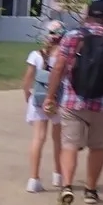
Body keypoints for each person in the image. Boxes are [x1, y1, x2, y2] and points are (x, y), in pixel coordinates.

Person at [42, 0, 103, 205]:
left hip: (73, 101)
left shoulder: (73, 36)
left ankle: (67, 186)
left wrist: (50, 96)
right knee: (97, 146)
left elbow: (59, 68)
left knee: (69, 145)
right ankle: (91, 190)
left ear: (87, 16)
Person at [22, 20, 65, 193]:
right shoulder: (65, 56)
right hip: (58, 100)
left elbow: (27, 80)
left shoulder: (36, 55)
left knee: (38, 138)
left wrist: (28, 95)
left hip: (39, 99)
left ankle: (34, 178)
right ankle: (58, 175)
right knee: (58, 139)